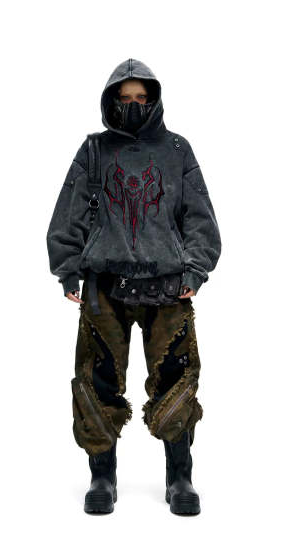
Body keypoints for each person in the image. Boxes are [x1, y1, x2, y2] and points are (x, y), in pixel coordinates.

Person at [46, 58, 221, 515]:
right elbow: (70, 211)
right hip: (104, 286)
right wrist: (67, 269)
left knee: (177, 381)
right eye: (125, 98)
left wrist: (195, 270)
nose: (133, 105)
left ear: (154, 100)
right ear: (111, 101)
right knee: (96, 382)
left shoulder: (177, 150)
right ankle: (102, 476)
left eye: (142, 98)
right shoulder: (94, 150)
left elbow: (200, 217)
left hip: (169, 287)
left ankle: (179, 477)